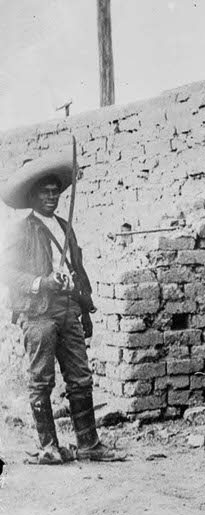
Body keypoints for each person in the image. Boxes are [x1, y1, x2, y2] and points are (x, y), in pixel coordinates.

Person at [0, 152, 124, 464]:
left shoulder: (65, 226)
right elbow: (7, 272)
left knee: (80, 377)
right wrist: (42, 282)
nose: (52, 196)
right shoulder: (20, 230)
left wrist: (84, 306)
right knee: (41, 379)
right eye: (45, 191)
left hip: (68, 308)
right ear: (33, 196)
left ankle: (89, 443)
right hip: (38, 311)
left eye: (56, 191)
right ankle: (48, 446)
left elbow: (77, 268)